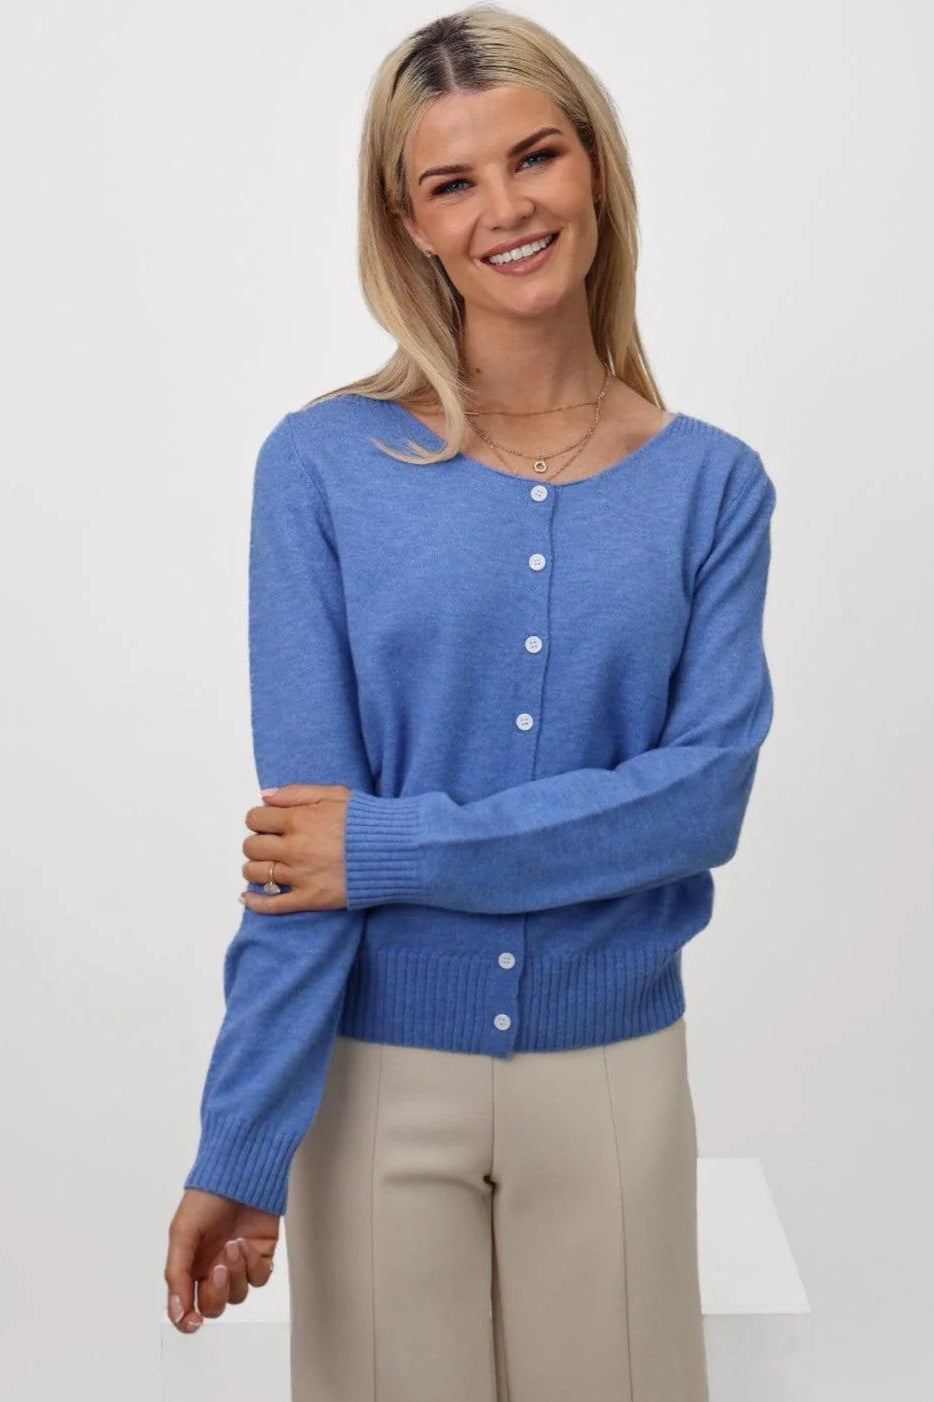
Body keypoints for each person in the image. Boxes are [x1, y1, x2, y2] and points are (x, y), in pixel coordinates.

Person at [164, 7, 777, 1400]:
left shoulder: (712, 485)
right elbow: (299, 852)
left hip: (613, 1080)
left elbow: (699, 802)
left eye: (535, 156)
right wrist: (241, 1142)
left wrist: (387, 846)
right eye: (452, 182)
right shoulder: (322, 466)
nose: (505, 208)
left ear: (594, 164)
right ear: (411, 222)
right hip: (378, 1080)